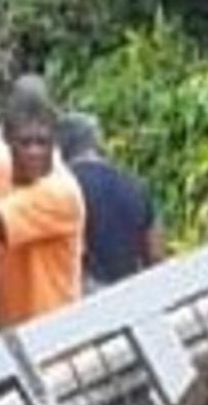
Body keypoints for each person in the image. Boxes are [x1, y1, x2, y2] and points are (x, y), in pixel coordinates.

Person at [0, 83, 84, 330]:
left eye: (42, 143)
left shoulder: (61, 193)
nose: (34, 152)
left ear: (55, 141)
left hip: (54, 332)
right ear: (7, 138)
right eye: (25, 143)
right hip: (8, 328)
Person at [57, 111, 164, 289]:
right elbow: (156, 253)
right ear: (96, 142)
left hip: (85, 300)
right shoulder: (134, 184)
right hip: (134, 292)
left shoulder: (60, 190)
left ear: (60, 148)